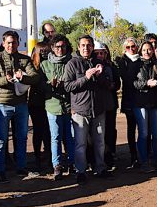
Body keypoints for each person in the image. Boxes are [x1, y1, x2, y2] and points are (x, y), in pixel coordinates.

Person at [0, 30, 39, 183]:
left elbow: (35, 77)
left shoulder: (25, 59)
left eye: (14, 42)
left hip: (21, 104)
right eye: (8, 42)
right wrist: (7, 79)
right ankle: (0, 170)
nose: (11, 45)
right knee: (2, 139)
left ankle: (21, 167)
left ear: (18, 43)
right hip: (3, 104)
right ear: (3, 43)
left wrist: (23, 77)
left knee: (22, 137)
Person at [63, 35, 114, 184]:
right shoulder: (72, 64)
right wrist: (85, 77)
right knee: (80, 143)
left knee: (99, 142)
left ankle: (100, 168)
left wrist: (99, 76)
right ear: (78, 47)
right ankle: (81, 171)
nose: (86, 48)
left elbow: (108, 85)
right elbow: (68, 86)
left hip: (98, 109)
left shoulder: (99, 62)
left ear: (92, 47)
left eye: (89, 45)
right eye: (83, 45)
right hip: (80, 110)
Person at [40, 34, 74, 180]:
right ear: (52, 48)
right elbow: (40, 85)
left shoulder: (72, 62)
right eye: (57, 46)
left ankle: (73, 163)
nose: (60, 49)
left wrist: (65, 85)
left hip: (70, 105)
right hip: (52, 106)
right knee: (55, 137)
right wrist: (50, 85)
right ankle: (57, 165)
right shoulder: (44, 64)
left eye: (63, 46)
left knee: (71, 137)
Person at [133, 40, 157, 172]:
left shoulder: (156, 64)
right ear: (140, 51)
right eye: (144, 50)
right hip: (140, 103)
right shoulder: (136, 65)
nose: (147, 52)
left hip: (155, 103)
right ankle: (144, 162)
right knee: (143, 133)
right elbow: (133, 83)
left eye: (149, 49)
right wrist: (146, 83)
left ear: (153, 50)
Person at [114, 37, 141, 168]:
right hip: (129, 98)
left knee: (143, 129)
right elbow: (125, 78)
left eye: (133, 46)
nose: (131, 49)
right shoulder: (122, 61)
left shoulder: (141, 60)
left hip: (141, 98)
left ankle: (143, 155)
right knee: (131, 129)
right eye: (128, 47)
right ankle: (133, 156)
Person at [94, 42, 119, 170]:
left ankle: (110, 155)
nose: (99, 55)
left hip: (109, 104)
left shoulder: (111, 67)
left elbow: (117, 84)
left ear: (106, 53)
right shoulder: (90, 66)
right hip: (95, 105)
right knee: (96, 133)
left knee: (109, 131)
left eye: (101, 53)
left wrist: (112, 85)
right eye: (96, 53)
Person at [29, 41, 52, 173]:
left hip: (49, 101)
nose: (45, 54)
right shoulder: (32, 66)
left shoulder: (49, 64)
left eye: (47, 51)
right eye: (42, 51)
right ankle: (37, 158)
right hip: (36, 103)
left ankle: (49, 158)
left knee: (48, 132)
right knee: (38, 131)